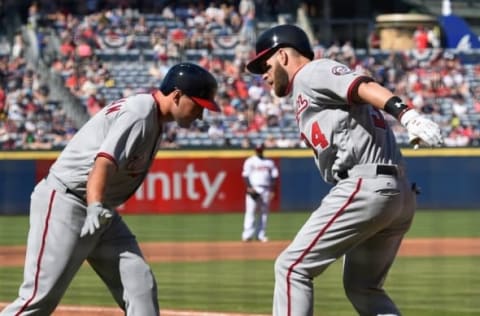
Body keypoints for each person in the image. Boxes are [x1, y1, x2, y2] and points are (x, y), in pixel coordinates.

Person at [246, 24, 443, 316]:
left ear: (284, 56)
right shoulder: (306, 87)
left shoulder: (312, 72)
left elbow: (362, 85)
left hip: (367, 185)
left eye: (265, 63)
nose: (262, 73)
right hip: (397, 192)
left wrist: (407, 114)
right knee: (363, 288)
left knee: (291, 268)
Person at [0, 63, 220, 316]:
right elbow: (102, 164)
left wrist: (97, 207)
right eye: (199, 105)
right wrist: (94, 206)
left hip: (99, 210)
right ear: (177, 95)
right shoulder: (140, 111)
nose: (201, 115)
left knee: (140, 286)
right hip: (67, 202)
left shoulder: (153, 118)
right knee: (39, 299)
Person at [241, 142, 279, 242]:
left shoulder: (269, 162)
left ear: (263, 150)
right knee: (250, 211)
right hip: (254, 188)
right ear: (255, 150)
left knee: (264, 213)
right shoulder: (250, 161)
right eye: (257, 150)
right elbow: (245, 175)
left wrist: (272, 190)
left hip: (266, 189)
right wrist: (249, 187)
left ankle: (260, 235)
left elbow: (274, 176)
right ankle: (247, 235)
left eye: (260, 149)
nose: (259, 151)